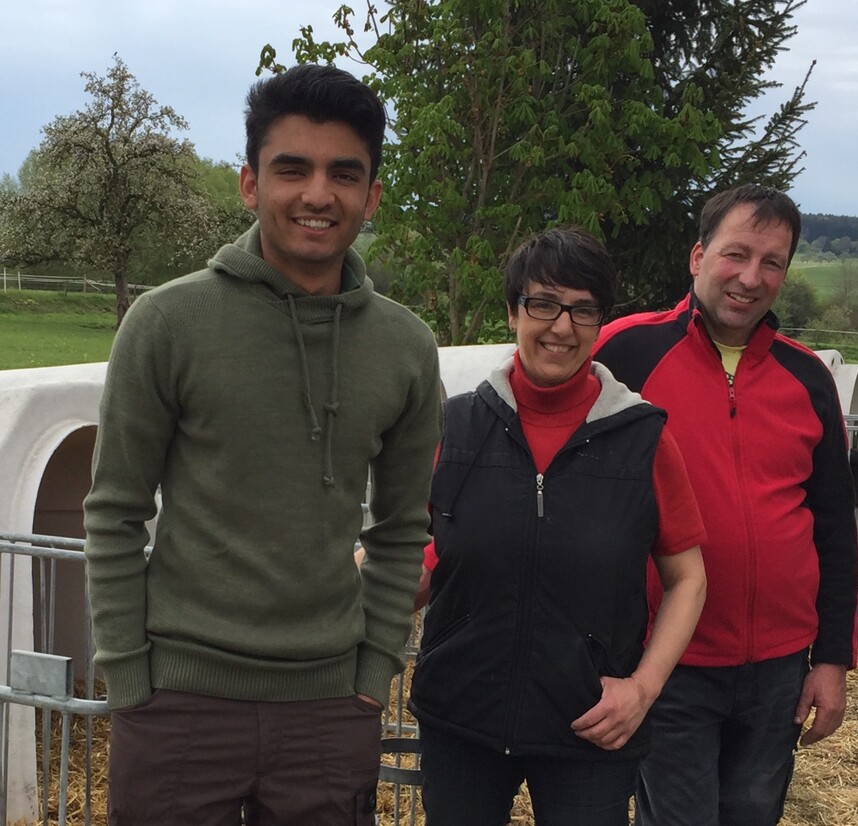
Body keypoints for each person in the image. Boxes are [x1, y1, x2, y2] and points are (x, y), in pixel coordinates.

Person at [83, 64, 442, 825]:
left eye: (344, 174)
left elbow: (403, 528)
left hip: (329, 710)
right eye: (292, 169)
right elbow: (113, 511)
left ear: (372, 196)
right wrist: (129, 680)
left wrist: (372, 676)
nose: (318, 194)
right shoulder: (166, 324)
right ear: (250, 183)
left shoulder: (407, 349)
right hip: (178, 704)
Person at [408, 227, 707, 826]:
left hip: (591, 724)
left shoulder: (643, 438)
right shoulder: (455, 429)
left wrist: (642, 689)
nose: (561, 327)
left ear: (600, 322)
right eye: (543, 304)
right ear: (513, 311)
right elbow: (419, 558)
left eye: (582, 309)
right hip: (461, 716)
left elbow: (688, 580)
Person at [593, 184, 858, 826]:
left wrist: (832, 658)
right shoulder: (624, 353)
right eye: (736, 254)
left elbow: (833, 528)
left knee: (753, 813)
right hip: (666, 662)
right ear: (698, 256)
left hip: (778, 667)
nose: (751, 277)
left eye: (772, 262)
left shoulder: (809, 377)